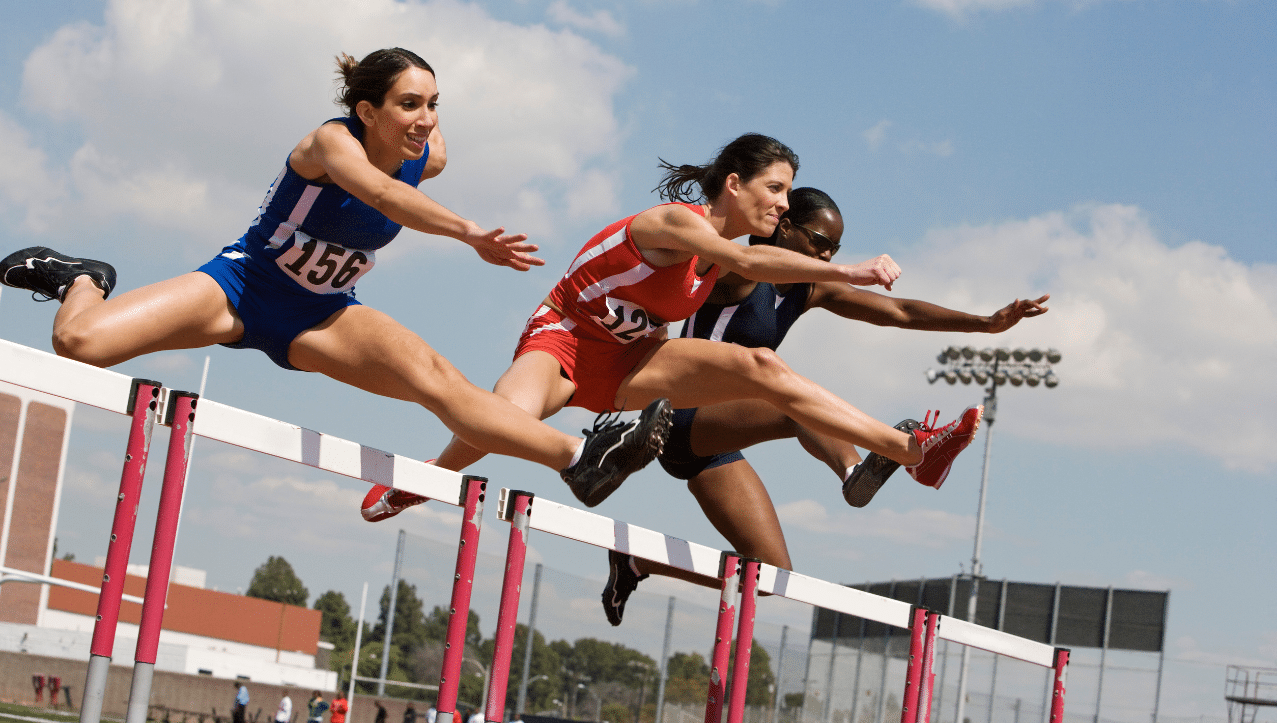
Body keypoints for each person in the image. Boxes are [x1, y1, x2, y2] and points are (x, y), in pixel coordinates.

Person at [0, 48, 670, 507]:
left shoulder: (428, 154)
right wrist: (469, 233)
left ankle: (583, 453)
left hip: (322, 312)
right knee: (80, 345)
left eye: (434, 103)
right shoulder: (329, 143)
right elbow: (379, 195)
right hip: (242, 286)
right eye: (409, 103)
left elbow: (402, 178)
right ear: (367, 109)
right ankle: (82, 277)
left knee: (440, 384)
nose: (426, 119)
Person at [365, 134, 981, 521]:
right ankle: (423, 480)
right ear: (734, 184)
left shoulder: (728, 248)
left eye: (789, 194)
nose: (784, 205)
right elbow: (748, 261)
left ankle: (910, 452)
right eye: (776, 188)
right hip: (567, 340)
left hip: (635, 361)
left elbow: (753, 262)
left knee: (762, 368)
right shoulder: (675, 223)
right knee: (503, 417)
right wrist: (852, 269)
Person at [599, 187, 1050, 624]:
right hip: (677, 416)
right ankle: (858, 471)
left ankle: (639, 563)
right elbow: (725, 261)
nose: (827, 258)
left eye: (835, 249)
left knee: (773, 575)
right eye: (819, 243)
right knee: (786, 392)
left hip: (712, 444)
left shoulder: (810, 289)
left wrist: (985, 324)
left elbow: (900, 312)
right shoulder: (738, 271)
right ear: (786, 227)